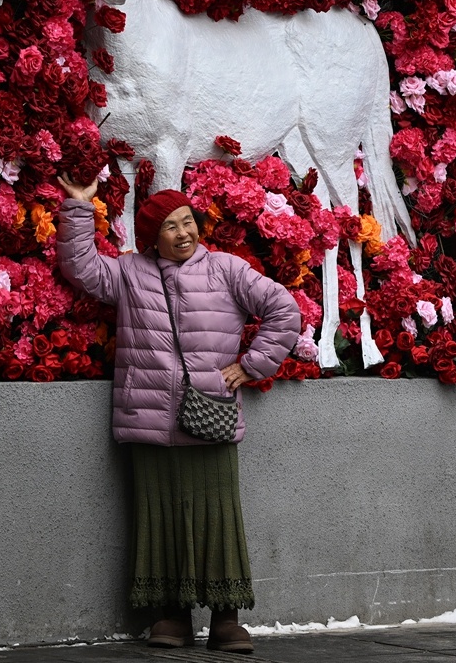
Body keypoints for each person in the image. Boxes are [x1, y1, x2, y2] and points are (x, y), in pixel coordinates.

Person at [57, 177, 301, 653]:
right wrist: (79, 211)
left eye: (187, 221)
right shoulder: (130, 274)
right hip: (148, 421)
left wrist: (250, 365)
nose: (183, 233)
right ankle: (171, 616)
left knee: (218, 517)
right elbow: (82, 269)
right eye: (170, 227)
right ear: (153, 238)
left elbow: (283, 309)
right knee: (159, 517)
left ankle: (226, 618)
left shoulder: (228, 269)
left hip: (209, 416)